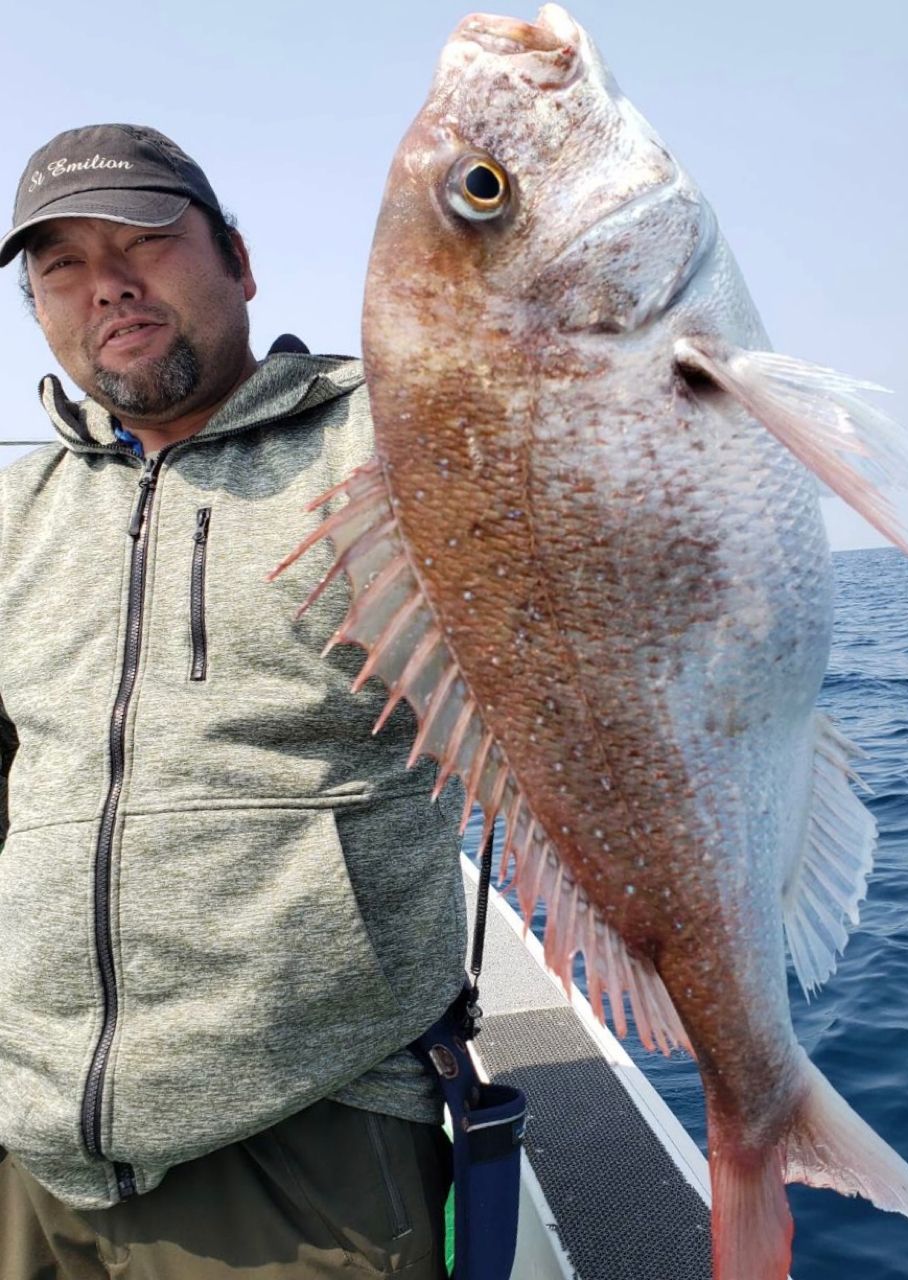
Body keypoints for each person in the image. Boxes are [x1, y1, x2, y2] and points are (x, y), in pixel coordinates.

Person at [0, 123, 468, 1280]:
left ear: (240, 261)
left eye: (144, 239)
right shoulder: (18, 508)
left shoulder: (392, 444)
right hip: (29, 1148)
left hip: (302, 1141)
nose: (106, 281)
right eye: (60, 265)